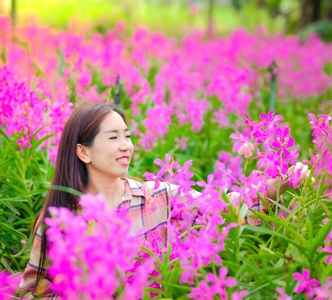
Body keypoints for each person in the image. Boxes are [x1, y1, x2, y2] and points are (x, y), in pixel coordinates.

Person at [18, 103, 311, 299]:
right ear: (84, 152)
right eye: (112, 137)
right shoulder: (61, 219)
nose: (125, 146)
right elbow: (34, 290)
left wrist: (273, 188)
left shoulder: (157, 196)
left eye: (128, 136)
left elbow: (226, 206)